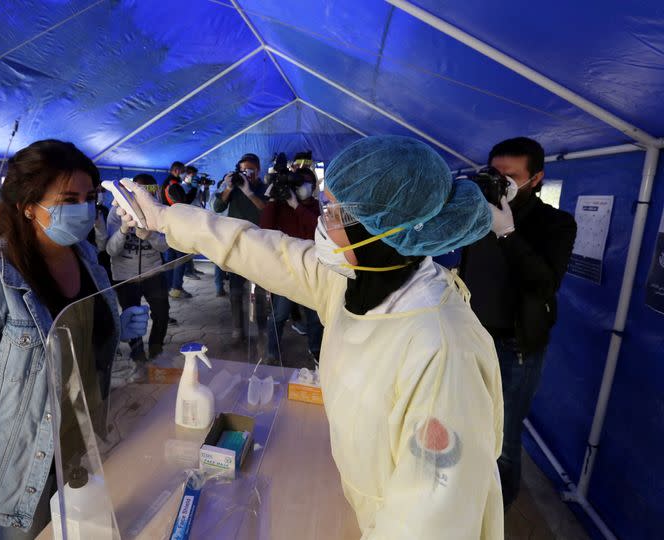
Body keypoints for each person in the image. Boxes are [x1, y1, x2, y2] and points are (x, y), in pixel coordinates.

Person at [117, 136, 505, 537]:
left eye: (333, 212)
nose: (321, 222)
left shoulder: (442, 349)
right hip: (360, 504)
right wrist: (165, 219)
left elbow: (431, 519)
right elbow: (263, 249)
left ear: (383, 229)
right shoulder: (356, 280)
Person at [0, 140, 150, 540]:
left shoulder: (85, 257)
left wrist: (114, 327)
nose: (84, 209)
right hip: (17, 480)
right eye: (69, 198)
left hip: (83, 450)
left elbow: (69, 334)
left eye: (90, 198)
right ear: (26, 203)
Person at [459, 137, 577, 510]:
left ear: (536, 178)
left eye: (509, 176)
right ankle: (466, 498)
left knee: (504, 441)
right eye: (494, 174)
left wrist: (508, 233)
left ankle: (496, 515)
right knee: (464, 421)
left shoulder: (555, 224)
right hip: (471, 337)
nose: (500, 182)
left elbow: (543, 284)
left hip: (515, 349)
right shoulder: (480, 213)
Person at [260, 167, 323, 364]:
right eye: (300, 183)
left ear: (313, 186)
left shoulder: (313, 206)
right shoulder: (282, 205)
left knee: (314, 316)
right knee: (279, 314)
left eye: (307, 183)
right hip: (286, 269)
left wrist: (297, 206)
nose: (304, 187)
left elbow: (316, 229)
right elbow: (265, 228)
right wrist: (272, 200)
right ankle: (272, 352)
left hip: (310, 268)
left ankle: (316, 350)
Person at [106, 174, 171, 361]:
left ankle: (156, 350)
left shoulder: (159, 210)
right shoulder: (117, 212)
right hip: (125, 276)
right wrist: (123, 229)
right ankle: (137, 355)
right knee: (132, 318)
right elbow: (111, 250)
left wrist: (150, 235)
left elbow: (165, 245)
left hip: (153, 272)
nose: (145, 196)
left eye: (150, 191)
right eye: (140, 191)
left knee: (162, 314)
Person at [212, 152, 268, 341]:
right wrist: (228, 187)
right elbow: (217, 207)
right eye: (242, 170)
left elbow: (266, 211)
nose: (246, 174)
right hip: (237, 246)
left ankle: (262, 328)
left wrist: (249, 193)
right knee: (235, 291)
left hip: (260, 246)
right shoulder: (234, 188)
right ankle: (238, 329)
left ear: (258, 170)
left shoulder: (264, 188)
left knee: (260, 291)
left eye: (250, 170)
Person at [161, 179, 194, 298]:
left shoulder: (164, 205)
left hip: (167, 236)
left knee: (170, 261)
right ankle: (176, 288)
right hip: (179, 237)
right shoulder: (183, 207)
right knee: (180, 262)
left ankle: (169, 287)